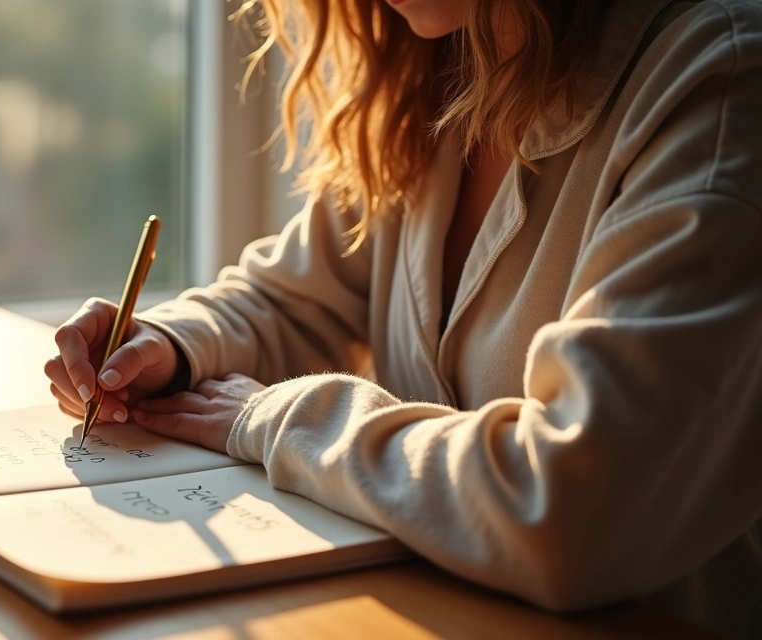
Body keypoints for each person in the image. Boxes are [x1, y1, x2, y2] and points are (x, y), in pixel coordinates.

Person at [45, 0, 762, 637]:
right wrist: (172, 345)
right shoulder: (441, 62)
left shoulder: (719, 80)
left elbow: (579, 508)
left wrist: (277, 418)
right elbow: (300, 295)